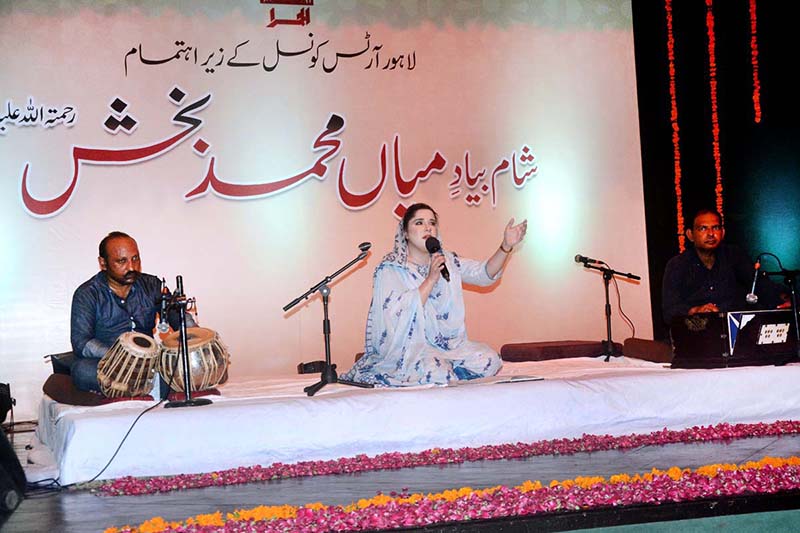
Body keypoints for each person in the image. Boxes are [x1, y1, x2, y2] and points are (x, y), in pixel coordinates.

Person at [341, 203, 528, 386]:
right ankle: (443, 373)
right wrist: (430, 279)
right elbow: (395, 315)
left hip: (449, 348)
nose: (427, 227)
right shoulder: (391, 268)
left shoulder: (447, 260)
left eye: (432, 223)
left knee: (490, 360)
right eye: (419, 222)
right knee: (436, 370)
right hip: (410, 349)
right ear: (405, 233)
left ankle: (450, 372)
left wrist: (505, 246)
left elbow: (483, 273)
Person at [69, 231, 194, 394]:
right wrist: (121, 358)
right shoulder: (88, 293)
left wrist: (197, 341)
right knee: (82, 370)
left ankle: (137, 387)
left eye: (135, 258)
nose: (131, 267)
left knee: (186, 362)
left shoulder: (152, 285)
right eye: (122, 261)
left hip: (151, 362)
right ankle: (151, 387)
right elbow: (81, 342)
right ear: (103, 263)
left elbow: (178, 319)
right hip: (111, 365)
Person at [662, 209, 784, 324]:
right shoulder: (677, 265)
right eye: (703, 229)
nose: (710, 234)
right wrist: (694, 311)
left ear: (723, 232)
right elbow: (670, 310)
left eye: (715, 228)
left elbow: (759, 285)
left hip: (736, 329)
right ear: (690, 235)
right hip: (696, 331)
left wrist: (784, 299)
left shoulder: (735, 256)